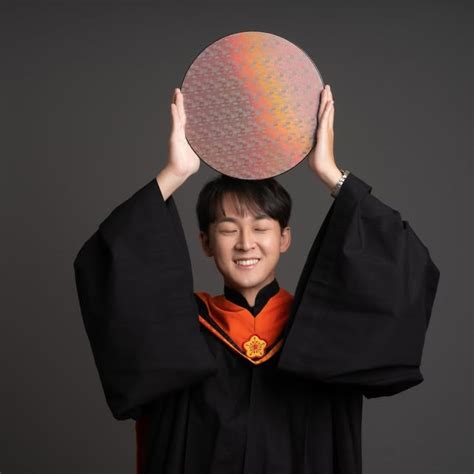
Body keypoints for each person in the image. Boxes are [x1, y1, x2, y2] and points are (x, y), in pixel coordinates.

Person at [73, 85, 440, 474]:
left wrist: (331, 174)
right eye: (228, 229)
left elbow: (404, 268)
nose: (246, 243)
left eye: (261, 228)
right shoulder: (178, 333)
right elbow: (108, 264)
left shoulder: (326, 333)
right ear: (206, 242)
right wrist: (175, 173)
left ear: (284, 238)